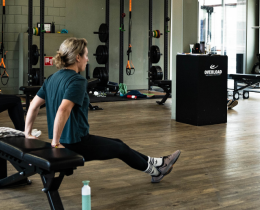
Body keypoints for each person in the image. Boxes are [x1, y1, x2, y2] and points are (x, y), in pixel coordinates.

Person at [25, 37, 180, 183]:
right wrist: (55, 143)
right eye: (85, 55)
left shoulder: (52, 78)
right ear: (77, 57)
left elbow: (33, 105)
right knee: (121, 149)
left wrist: (27, 133)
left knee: (119, 144)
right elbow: (63, 110)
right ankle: (157, 172)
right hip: (75, 143)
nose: (88, 59)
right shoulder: (77, 80)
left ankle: (159, 162)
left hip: (73, 141)